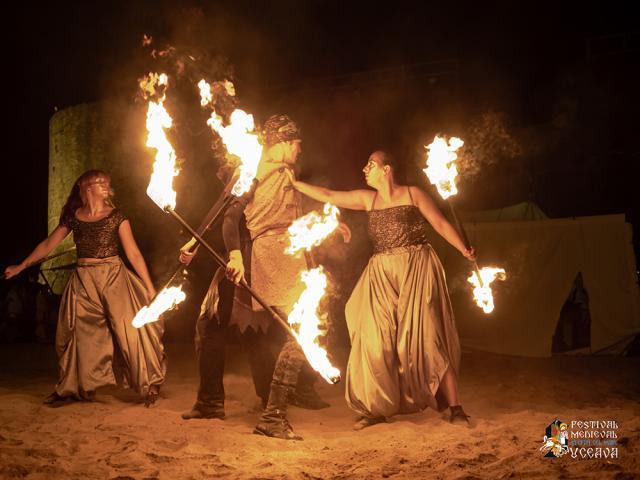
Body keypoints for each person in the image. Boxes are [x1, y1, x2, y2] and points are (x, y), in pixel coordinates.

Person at [287, 150, 476, 429]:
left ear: (387, 169)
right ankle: (376, 408)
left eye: (371, 164)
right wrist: (297, 184)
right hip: (381, 272)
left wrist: (463, 249)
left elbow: (439, 223)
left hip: (416, 268)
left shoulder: (413, 194)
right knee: (373, 337)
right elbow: (329, 194)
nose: (365, 169)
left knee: (428, 338)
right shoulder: (368, 199)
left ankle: (456, 407)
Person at [4, 170, 166, 407]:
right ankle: (71, 389)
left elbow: (133, 253)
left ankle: (150, 384)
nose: (106, 187)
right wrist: (21, 266)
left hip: (114, 277)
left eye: (107, 183)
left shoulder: (117, 217)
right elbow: (48, 244)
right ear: (87, 188)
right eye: (101, 183)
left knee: (130, 329)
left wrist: (150, 288)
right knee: (77, 333)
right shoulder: (74, 217)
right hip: (84, 279)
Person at [224, 114, 329, 440]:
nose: (300, 150)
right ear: (283, 142)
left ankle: (277, 410)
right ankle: (273, 414)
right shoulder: (255, 171)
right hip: (273, 254)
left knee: (304, 330)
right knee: (305, 329)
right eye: (297, 144)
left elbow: (289, 218)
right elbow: (230, 218)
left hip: (292, 252)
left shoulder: (286, 172)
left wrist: (321, 224)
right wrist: (236, 255)